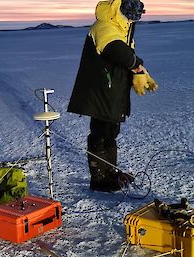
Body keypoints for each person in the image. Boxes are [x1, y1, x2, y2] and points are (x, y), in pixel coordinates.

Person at [67, 0, 158, 192]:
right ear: (119, 9)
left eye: (136, 15)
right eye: (130, 13)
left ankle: (110, 173)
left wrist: (141, 72)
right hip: (100, 91)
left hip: (112, 91)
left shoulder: (122, 29)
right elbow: (117, 51)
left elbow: (127, 55)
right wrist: (137, 66)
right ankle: (99, 179)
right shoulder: (104, 26)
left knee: (111, 132)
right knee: (100, 133)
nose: (132, 18)